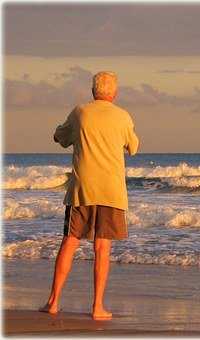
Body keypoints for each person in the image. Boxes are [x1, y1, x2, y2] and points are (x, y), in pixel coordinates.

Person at [39, 71, 139, 320]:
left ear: (93, 91)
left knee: (70, 242)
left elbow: (59, 137)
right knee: (102, 247)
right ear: (114, 93)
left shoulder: (80, 112)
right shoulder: (123, 116)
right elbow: (134, 147)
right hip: (111, 191)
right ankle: (97, 307)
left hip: (82, 189)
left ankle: (53, 302)